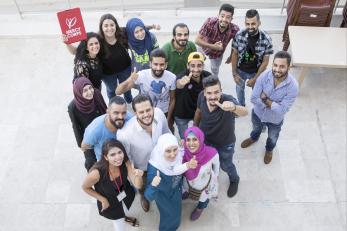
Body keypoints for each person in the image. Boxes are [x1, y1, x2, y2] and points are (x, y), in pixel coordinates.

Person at [194, 75, 248, 198]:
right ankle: (213, 177)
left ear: (221, 91)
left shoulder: (228, 100)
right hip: (206, 141)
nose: (213, 96)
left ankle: (234, 179)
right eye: (209, 93)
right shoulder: (201, 97)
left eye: (216, 92)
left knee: (226, 165)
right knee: (209, 163)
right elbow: (198, 111)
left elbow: (245, 112)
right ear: (204, 93)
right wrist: (195, 128)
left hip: (225, 143)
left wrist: (233, 108)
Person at [240, 51, 298, 164]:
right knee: (256, 129)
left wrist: (265, 99)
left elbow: (282, 110)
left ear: (288, 67)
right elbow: (254, 98)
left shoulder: (293, 86)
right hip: (258, 114)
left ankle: (269, 150)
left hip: (275, 120)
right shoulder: (264, 76)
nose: (277, 69)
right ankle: (253, 138)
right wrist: (272, 104)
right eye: (275, 65)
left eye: (282, 66)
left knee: (272, 138)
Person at [117, 94, 171, 212]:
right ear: (135, 113)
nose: (146, 114)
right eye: (141, 112)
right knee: (142, 186)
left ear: (153, 107)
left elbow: (167, 133)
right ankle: (143, 196)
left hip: (162, 162)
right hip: (143, 169)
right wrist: (134, 174)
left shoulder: (159, 114)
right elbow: (127, 158)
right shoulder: (125, 134)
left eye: (148, 110)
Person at [82, 139, 144, 230]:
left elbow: (138, 185)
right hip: (109, 202)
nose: (118, 157)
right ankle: (122, 219)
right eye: (112, 155)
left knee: (123, 210)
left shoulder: (126, 162)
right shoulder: (97, 173)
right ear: (106, 157)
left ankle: (124, 217)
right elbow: (85, 187)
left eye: (120, 152)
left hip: (124, 194)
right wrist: (102, 200)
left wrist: (138, 176)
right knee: (119, 225)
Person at [144, 133, 197, 231]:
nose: (173, 155)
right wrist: (153, 185)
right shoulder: (154, 169)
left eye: (175, 149)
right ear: (161, 150)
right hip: (164, 197)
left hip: (176, 191)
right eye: (168, 151)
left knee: (176, 211)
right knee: (169, 215)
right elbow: (148, 196)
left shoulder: (179, 155)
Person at [115, 49, 176, 130]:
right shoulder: (142, 75)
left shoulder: (172, 77)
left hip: (163, 112)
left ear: (166, 65)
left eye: (161, 65)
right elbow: (118, 91)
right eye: (155, 64)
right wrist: (129, 79)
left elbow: (172, 99)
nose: (158, 68)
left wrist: (168, 119)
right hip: (145, 113)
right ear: (150, 63)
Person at [231, 9, 273, 106]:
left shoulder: (266, 39)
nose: (250, 27)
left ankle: (257, 108)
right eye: (247, 24)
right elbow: (235, 54)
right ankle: (241, 106)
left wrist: (255, 78)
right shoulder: (239, 35)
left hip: (256, 72)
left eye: (253, 24)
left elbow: (265, 62)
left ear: (259, 23)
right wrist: (234, 73)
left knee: (257, 93)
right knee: (239, 90)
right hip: (240, 70)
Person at [68, 77, 107, 170]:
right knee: (91, 161)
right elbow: (76, 126)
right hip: (88, 136)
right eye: (85, 90)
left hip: (102, 129)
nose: (90, 92)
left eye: (90, 88)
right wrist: (81, 143)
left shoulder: (96, 93)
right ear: (78, 92)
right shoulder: (73, 107)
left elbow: (104, 108)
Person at [182, 126, 219, 221]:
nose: (191, 143)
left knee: (204, 198)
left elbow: (216, 167)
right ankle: (187, 193)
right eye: (188, 139)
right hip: (189, 182)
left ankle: (200, 208)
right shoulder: (183, 153)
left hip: (204, 185)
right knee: (186, 189)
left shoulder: (212, 153)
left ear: (201, 139)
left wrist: (216, 177)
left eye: (195, 139)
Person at [81, 96, 132, 161]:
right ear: (108, 111)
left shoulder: (130, 119)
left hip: (127, 160)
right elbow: (84, 146)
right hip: (106, 164)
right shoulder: (94, 130)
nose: (121, 117)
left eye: (124, 113)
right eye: (116, 113)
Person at [174, 51, 211, 138]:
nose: (196, 69)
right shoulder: (183, 76)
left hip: (200, 114)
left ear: (203, 66)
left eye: (199, 65)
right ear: (188, 66)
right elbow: (178, 84)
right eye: (192, 66)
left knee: (198, 138)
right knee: (186, 139)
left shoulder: (208, 76)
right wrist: (181, 83)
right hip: (182, 115)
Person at [195, 4, 239, 76]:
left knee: (214, 70)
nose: (224, 19)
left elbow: (235, 45)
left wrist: (231, 56)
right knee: (198, 64)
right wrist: (213, 46)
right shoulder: (209, 22)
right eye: (222, 16)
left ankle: (214, 83)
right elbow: (197, 40)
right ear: (218, 15)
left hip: (217, 53)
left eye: (228, 17)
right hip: (203, 46)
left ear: (231, 19)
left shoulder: (235, 29)